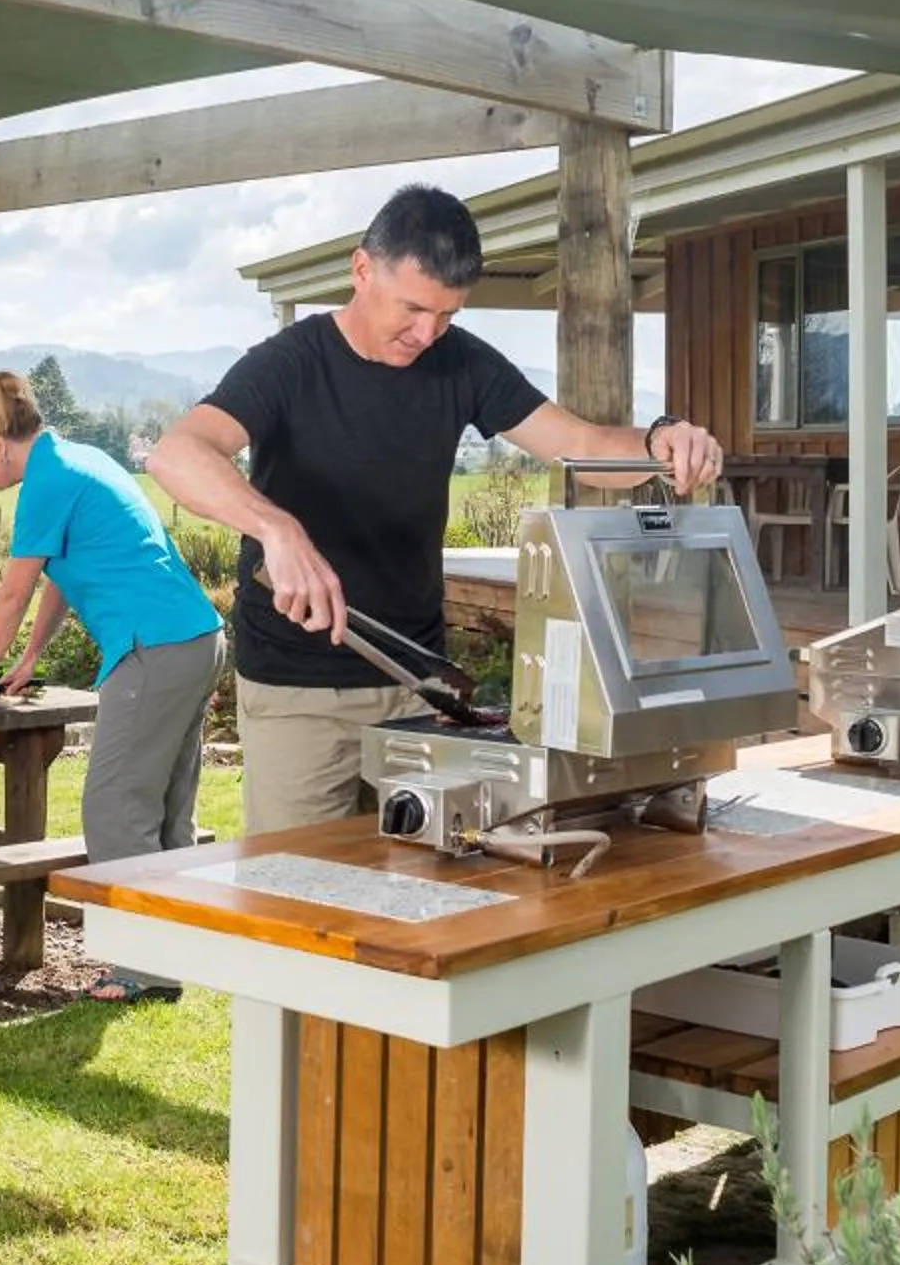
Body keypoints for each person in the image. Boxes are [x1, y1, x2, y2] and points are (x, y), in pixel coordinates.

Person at [148, 182, 724, 839]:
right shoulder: (288, 364)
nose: (427, 333)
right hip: (299, 692)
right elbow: (177, 454)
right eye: (414, 308)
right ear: (362, 270)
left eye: (447, 315)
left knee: (418, 887)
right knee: (296, 899)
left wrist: (659, 441)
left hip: (420, 688)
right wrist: (276, 528)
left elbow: (585, 447)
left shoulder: (461, 364)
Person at [0, 370, 223, 1004]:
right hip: (195, 637)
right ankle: (171, 959)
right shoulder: (76, 459)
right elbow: (60, 577)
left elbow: (13, 588)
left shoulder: (48, 480)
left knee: (114, 806)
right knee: (165, 809)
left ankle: (143, 971)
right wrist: (30, 655)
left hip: (154, 647)